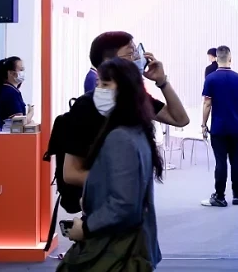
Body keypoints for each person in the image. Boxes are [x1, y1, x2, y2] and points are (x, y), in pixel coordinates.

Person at [63, 58, 162, 269]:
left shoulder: (120, 137)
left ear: (125, 90)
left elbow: (124, 203)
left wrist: (86, 227)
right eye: (98, 84)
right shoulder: (137, 130)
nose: (99, 91)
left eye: (106, 84)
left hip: (117, 248)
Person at [61, 32, 189, 193]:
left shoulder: (136, 99)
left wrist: (162, 81)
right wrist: (122, 183)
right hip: (100, 199)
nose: (138, 59)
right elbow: (71, 173)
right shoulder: (85, 106)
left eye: (137, 52)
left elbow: (180, 119)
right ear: (109, 62)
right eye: (131, 54)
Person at [202, 45, 238, 207]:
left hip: (218, 127)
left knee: (220, 162)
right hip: (235, 126)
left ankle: (220, 196)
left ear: (217, 59)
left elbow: (207, 104)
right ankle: (237, 195)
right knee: (236, 161)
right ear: (230, 59)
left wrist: (203, 124)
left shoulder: (210, 79)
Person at [0, 56, 27, 129]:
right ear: (11, 73)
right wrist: (31, 113)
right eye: (21, 70)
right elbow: (19, 121)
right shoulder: (10, 93)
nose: (23, 72)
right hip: (11, 134)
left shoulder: (13, 91)